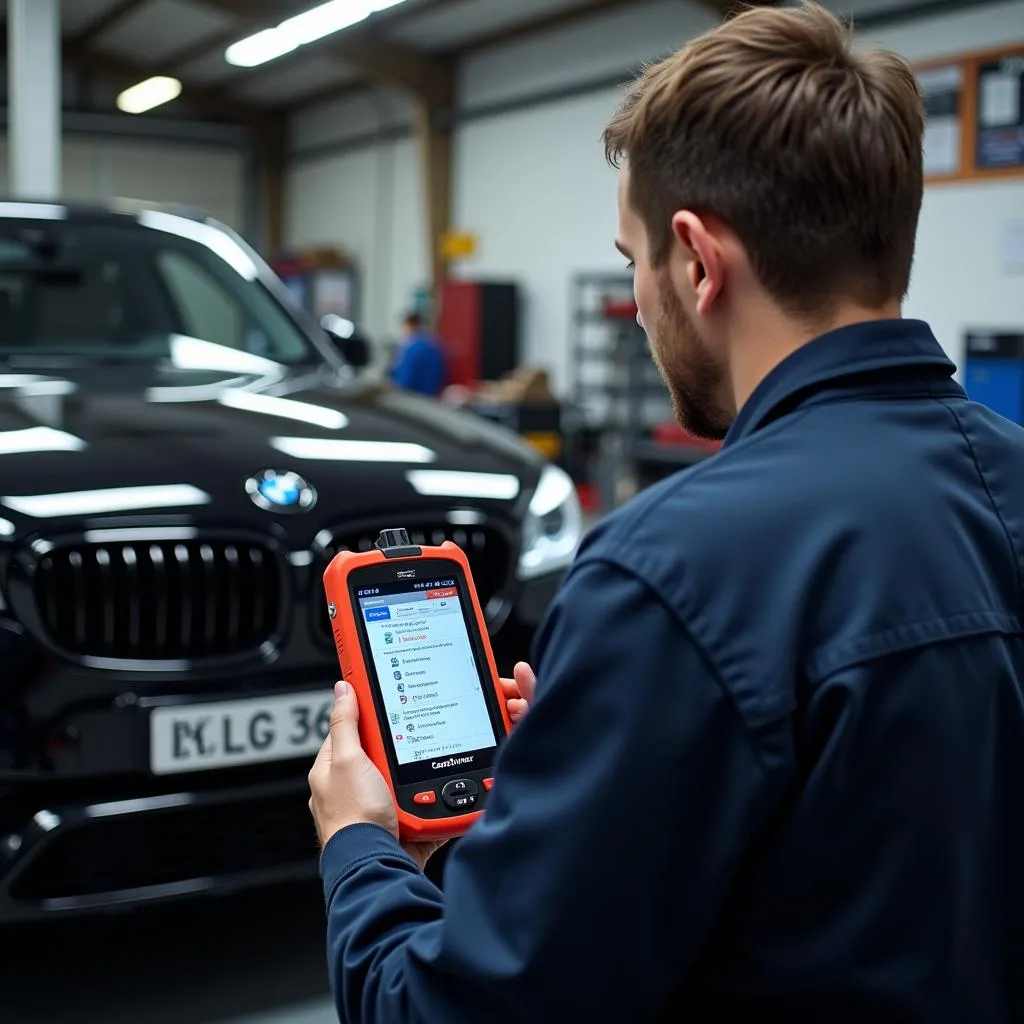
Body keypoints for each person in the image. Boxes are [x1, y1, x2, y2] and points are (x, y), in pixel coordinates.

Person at [307, 3, 1024, 1020]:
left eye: (633, 258)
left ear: (694, 260)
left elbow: (453, 1008)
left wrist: (360, 847)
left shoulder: (667, 572)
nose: (641, 299)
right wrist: (593, 756)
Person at [388, 311, 446, 396]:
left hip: (414, 395)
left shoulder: (412, 348)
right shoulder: (433, 345)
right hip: (430, 394)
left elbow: (406, 378)